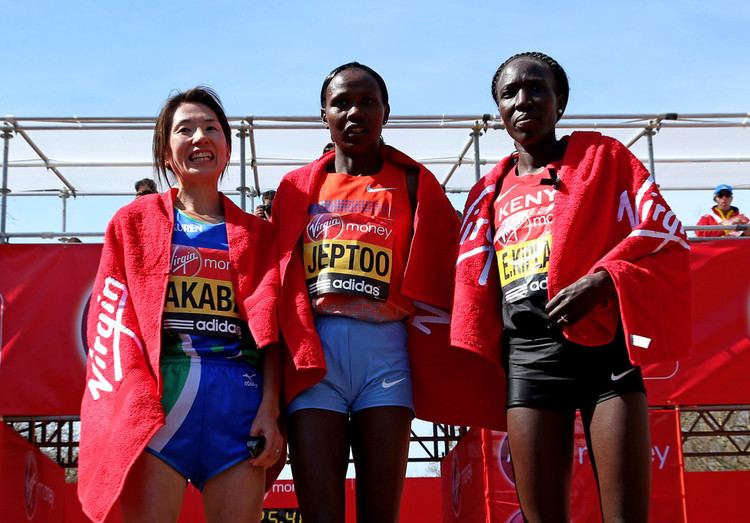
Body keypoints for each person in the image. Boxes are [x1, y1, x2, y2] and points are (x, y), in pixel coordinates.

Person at [451, 52, 691, 522]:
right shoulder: (487, 192)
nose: (524, 100)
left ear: (560, 102)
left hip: (607, 352)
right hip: (529, 357)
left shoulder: (606, 158)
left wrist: (603, 281)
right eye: (510, 93)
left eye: (537, 88)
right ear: (498, 110)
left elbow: (665, 236)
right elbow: (471, 284)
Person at [273, 62, 503, 523]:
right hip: (317, 358)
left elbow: (457, 261)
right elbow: (276, 280)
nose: (354, 111)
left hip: (387, 355)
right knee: (321, 514)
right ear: (324, 115)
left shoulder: (414, 183)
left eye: (367, 101)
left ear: (386, 111)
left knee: (381, 513)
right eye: (341, 102)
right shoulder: (296, 188)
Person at [78, 87, 284, 523]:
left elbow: (275, 333)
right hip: (160, 406)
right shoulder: (131, 224)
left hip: (240, 407)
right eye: (184, 129)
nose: (199, 137)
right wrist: (129, 401)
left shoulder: (261, 235)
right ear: (166, 152)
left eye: (211, 128)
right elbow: (111, 324)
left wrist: (270, 410)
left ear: (226, 147)